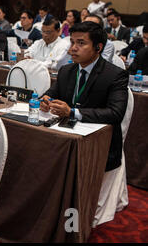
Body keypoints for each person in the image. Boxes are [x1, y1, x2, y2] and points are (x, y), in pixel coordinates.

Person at [40, 21, 128, 172]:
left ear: (98, 48)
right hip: (65, 137)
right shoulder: (66, 70)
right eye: (72, 42)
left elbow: (115, 113)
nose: (73, 48)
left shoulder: (114, 75)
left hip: (97, 144)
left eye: (81, 43)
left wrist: (73, 112)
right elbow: (51, 94)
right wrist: (45, 100)